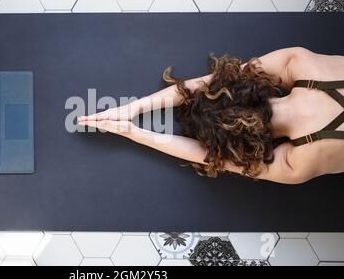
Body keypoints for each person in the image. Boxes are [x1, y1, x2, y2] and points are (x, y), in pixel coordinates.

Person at [78, 48, 344, 185]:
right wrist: (133, 109)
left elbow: (212, 159)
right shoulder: (300, 62)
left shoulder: (299, 162)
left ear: (241, 149)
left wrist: (136, 133)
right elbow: (212, 82)